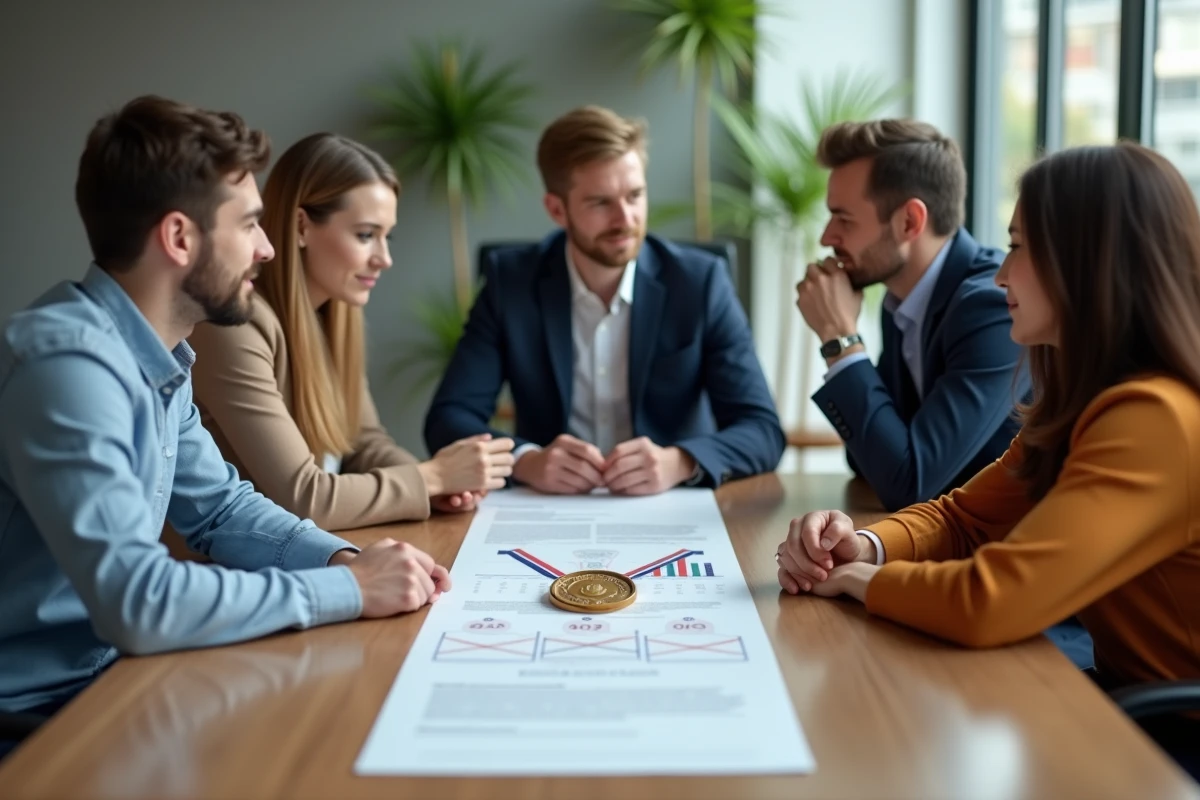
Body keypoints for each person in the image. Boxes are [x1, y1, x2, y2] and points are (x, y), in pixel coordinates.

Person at [0, 97, 450, 746]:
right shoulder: (66, 365)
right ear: (180, 238)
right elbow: (138, 603)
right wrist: (347, 589)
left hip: (115, 679)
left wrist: (348, 557)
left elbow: (220, 510)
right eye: (250, 225)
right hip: (37, 716)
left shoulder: (161, 355)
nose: (269, 249)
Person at [775, 142, 1200, 778]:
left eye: (1021, 247)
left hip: (1170, 738)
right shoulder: (1086, 398)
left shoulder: (1154, 419)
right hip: (1123, 702)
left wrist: (857, 581)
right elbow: (962, 518)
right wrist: (862, 545)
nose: (1002, 274)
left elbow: (991, 599)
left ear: (1087, 264)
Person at [424, 105, 784, 495]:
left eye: (635, 195)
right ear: (557, 209)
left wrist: (679, 461)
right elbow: (449, 419)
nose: (625, 218)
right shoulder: (511, 282)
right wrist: (527, 461)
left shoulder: (699, 282)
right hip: (548, 508)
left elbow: (762, 430)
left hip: (670, 505)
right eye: (600, 202)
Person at [189, 133, 514, 530]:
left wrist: (435, 485)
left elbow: (364, 443)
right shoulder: (234, 326)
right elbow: (306, 498)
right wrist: (434, 476)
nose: (384, 259)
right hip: (225, 573)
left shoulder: (334, 315)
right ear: (302, 227)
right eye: (365, 235)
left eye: (385, 236)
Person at [795, 119, 1027, 513]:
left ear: (909, 222)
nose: (826, 237)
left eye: (843, 219)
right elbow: (870, 461)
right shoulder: (903, 301)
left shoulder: (992, 308)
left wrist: (840, 339)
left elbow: (908, 483)